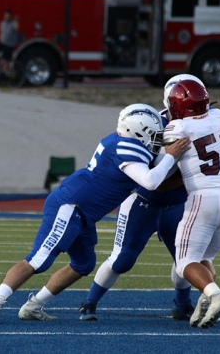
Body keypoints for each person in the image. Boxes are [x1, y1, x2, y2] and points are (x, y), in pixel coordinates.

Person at [0, 104, 191, 325]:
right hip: (70, 206)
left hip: (83, 212)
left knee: (84, 263)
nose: (158, 140)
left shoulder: (121, 139)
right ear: (139, 132)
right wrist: (171, 155)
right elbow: (151, 181)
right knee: (39, 260)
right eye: (154, 135)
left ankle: (33, 306)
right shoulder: (128, 148)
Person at [78, 74, 206, 322]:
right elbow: (151, 180)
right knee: (122, 259)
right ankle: (89, 302)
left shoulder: (207, 121)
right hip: (143, 199)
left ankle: (182, 304)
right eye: (189, 104)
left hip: (178, 203)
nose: (196, 111)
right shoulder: (150, 124)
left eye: (199, 103)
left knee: (185, 258)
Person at [163, 79, 220, 329]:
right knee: (205, 256)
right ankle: (206, 299)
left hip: (204, 198)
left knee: (185, 261)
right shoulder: (219, 116)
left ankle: (216, 294)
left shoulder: (176, 126)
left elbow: (164, 155)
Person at [0, 9, 19, 80]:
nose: (6, 17)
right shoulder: (2, 23)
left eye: (8, 16)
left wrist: (17, 21)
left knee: (5, 61)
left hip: (9, 44)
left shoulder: (13, 23)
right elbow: (1, 32)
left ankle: (5, 76)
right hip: (1, 42)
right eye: (5, 16)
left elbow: (17, 28)